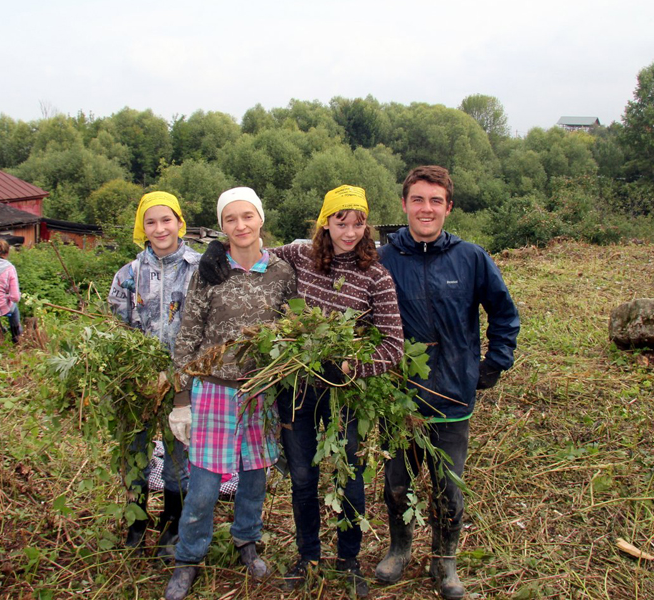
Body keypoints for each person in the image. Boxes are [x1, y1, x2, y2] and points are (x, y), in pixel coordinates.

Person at [199, 185, 405, 597]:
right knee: (303, 476)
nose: (349, 232)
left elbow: (394, 346)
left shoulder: (376, 276)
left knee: (349, 476)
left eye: (358, 223)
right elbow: (251, 247)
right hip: (297, 391)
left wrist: (355, 366)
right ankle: (307, 556)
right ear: (325, 222)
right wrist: (216, 251)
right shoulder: (300, 257)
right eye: (340, 222)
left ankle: (348, 561)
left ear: (367, 226)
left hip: (345, 392)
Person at [376, 166, 520, 600]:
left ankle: (445, 562)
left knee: (448, 486)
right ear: (404, 205)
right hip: (397, 396)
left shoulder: (470, 257)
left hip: (453, 395)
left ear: (448, 207)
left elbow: (504, 313)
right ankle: (399, 548)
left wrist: (491, 364)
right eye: (418, 200)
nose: (426, 208)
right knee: (396, 483)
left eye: (435, 201)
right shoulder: (383, 260)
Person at [163, 187, 296, 600]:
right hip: (213, 389)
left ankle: (246, 541)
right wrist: (180, 397)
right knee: (204, 483)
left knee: (255, 476)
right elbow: (188, 334)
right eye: (230, 220)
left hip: (260, 391)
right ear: (222, 227)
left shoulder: (281, 272)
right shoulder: (210, 270)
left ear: (260, 219)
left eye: (247, 217)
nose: (240, 226)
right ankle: (188, 558)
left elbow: (296, 326)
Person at [107, 191, 201, 559]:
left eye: (167, 220)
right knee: (134, 451)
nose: (160, 228)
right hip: (139, 384)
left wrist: (183, 384)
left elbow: (205, 330)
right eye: (151, 222)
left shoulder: (198, 268)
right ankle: (136, 520)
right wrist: (137, 374)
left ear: (180, 223)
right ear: (141, 228)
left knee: (179, 452)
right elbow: (116, 331)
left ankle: (173, 521)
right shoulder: (129, 275)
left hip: (183, 383)